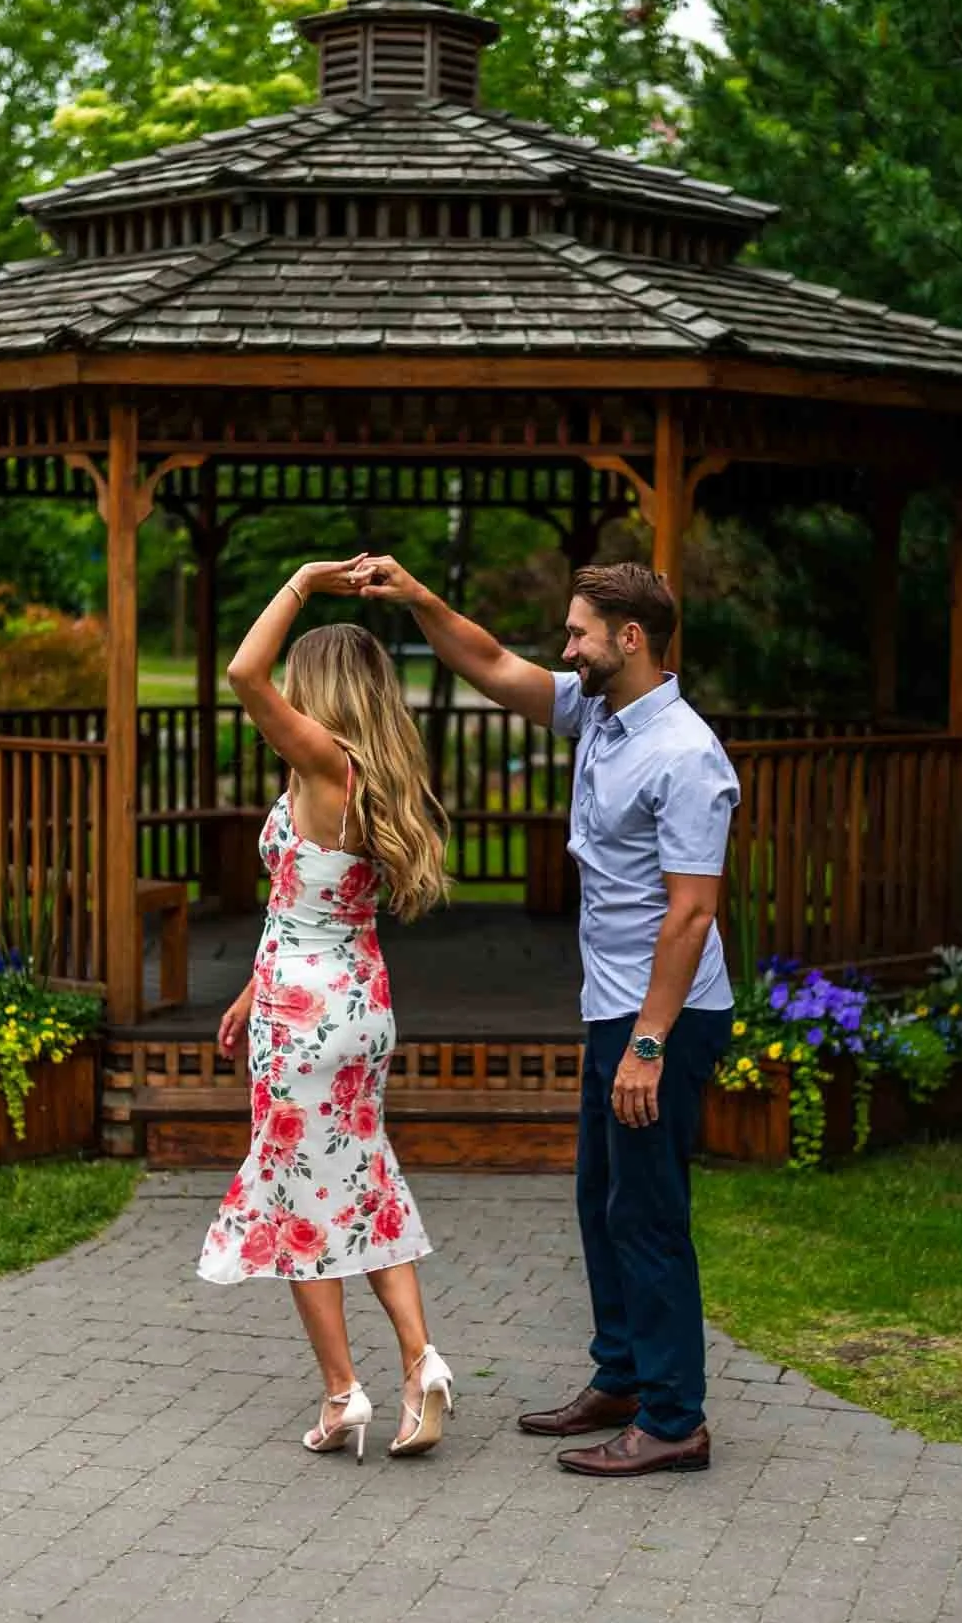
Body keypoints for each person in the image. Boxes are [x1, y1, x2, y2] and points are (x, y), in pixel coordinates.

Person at [355, 554, 738, 1479]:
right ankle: (622, 1377)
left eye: (577, 633)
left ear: (629, 639)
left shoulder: (685, 755)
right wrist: (413, 596)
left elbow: (690, 913)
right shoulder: (599, 714)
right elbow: (487, 663)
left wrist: (646, 1044)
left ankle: (675, 1418)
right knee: (600, 1201)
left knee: (646, 1213)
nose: (564, 647)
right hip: (615, 1009)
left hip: (664, 1017)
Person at [197, 557, 455, 1461]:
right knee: (362, 1180)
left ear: (320, 693)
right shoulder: (379, 775)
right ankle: (421, 1363)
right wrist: (246, 988)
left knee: (295, 1196)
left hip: (302, 1021)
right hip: (354, 1000)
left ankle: (344, 1392)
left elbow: (241, 673)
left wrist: (303, 580)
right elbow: (306, 902)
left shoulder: (321, 761)